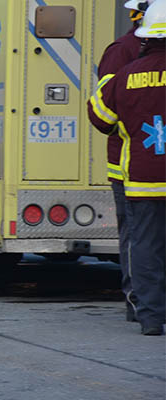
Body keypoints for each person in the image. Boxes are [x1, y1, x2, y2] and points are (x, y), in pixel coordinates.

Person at [87, 0, 166, 336]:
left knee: (144, 245)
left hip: (143, 178)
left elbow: (101, 117)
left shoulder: (126, 74)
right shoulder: (122, 52)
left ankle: (150, 316)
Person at [96, 0, 152, 323]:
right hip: (126, 164)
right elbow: (104, 110)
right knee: (134, 234)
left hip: (151, 162)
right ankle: (136, 299)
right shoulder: (121, 51)